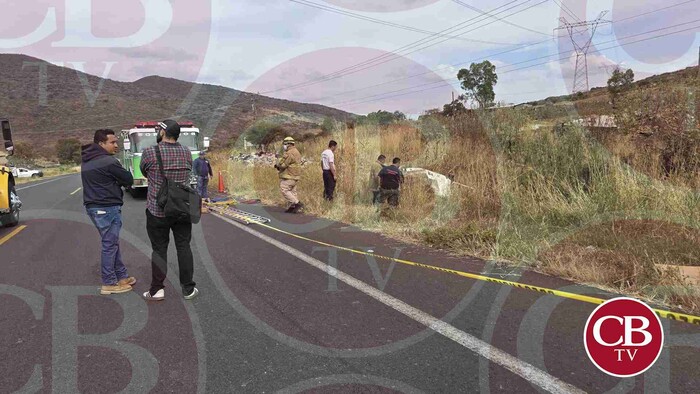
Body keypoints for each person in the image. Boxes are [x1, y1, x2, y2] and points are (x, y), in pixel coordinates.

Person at [140, 120, 199, 301]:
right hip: (182, 209)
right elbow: (188, 173)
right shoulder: (186, 152)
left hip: (158, 209)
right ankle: (188, 289)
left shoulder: (151, 152)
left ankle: (157, 289)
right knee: (184, 246)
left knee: (159, 249)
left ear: (163, 133)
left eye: (158, 130)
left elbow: (144, 172)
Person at [81, 129, 135, 295]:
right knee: (109, 245)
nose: (116, 145)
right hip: (107, 207)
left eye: (116, 142)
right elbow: (128, 179)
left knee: (111, 242)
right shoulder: (107, 161)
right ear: (101, 144)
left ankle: (122, 276)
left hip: (93, 207)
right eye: (112, 142)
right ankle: (109, 282)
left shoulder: (87, 160)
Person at [274, 136, 303, 213]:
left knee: (284, 189)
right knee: (293, 191)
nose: (284, 146)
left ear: (289, 144)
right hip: (295, 175)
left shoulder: (289, 153)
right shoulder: (297, 152)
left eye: (285, 144)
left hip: (289, 175)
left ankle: (297, 203)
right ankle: (293, 207)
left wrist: (278, 158)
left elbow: (283, 165)